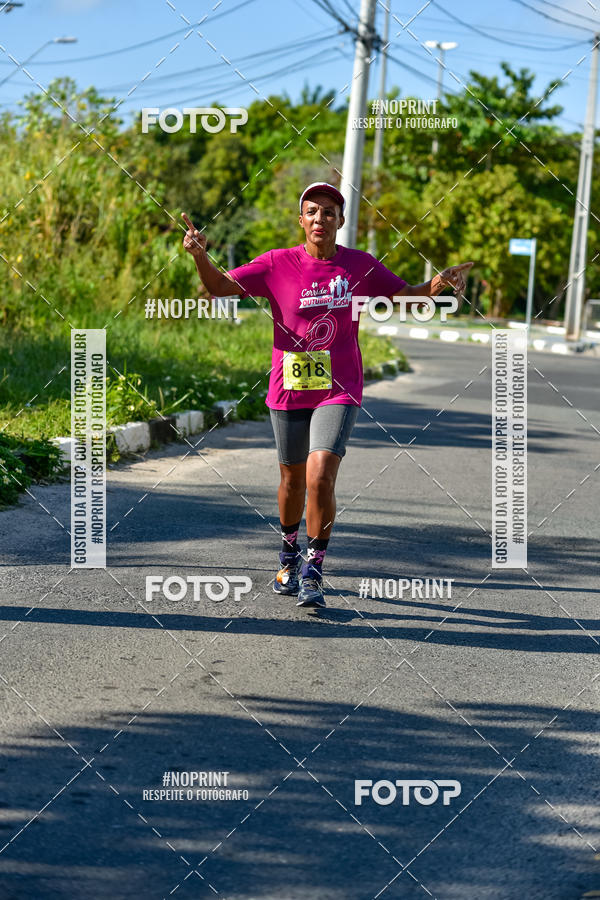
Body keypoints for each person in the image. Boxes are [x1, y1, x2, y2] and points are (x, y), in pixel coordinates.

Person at [182, 182, 472, 608]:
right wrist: (199, 256)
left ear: (340, 221)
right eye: (312, 211)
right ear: (301, 220)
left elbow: (404, 295)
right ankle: (287, 554)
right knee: (291, 479)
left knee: (320, 474)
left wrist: (437, 284)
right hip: (288, 388)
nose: (321, 219)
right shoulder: (276, 264)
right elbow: (219, 288)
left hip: (339, 388)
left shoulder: (359, 266)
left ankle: (314, 569)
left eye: (329, 212)